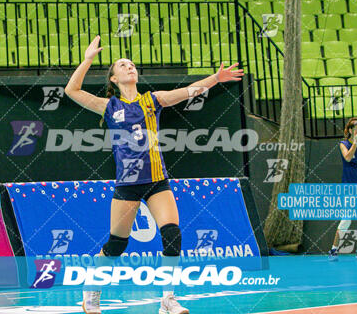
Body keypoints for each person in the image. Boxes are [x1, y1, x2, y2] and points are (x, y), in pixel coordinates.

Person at [65, 36, 243, 314]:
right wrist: (87, 59)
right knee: (116, 245)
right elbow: (72, 90)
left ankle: (168, 299)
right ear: (113, 78)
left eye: (132, 64)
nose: (129, 67)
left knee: (172, 235)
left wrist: (216, 79)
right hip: (128, 185)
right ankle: (91, 290)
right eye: (123, 65)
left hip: (157, 182)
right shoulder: (109, 106)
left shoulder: (153, 100)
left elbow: (187, 91)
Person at [328, 118, 357, 261]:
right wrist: (356, 142)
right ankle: (334, 250)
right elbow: (347, 157)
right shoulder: (344, 144)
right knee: (346, 219)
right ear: (351, 131)